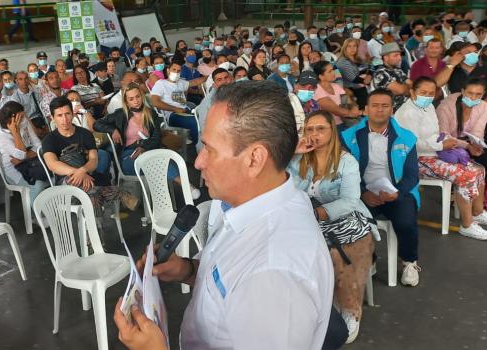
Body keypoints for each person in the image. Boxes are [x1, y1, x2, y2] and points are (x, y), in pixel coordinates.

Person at [113, 81, 334, 350]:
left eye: (209, 149)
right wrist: (189, 269)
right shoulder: (244, 205)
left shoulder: (273, 276)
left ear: (254, 159)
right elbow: (230, 282)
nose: (198, 162)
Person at [289, 110, 376, 344]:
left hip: (341, 217)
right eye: (310, 129)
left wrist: (317, 213)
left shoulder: (346, 161)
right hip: (302, 220)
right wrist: (293, 152)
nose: (314, 134)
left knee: (340, 253)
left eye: (321, 129)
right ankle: (305, 308)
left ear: (332, 131)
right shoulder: (297, 159)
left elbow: (349, 200)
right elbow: (278, 185)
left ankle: (350, 310)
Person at [340, 89, 422, 287]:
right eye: (375, 105)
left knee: (406, 223)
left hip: (397, 191)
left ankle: (409, 261)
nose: (380, 110)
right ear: (366, 109)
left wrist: (398, 193)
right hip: (362, 192)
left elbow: (412, 173)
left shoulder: (406, 137)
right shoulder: (349, 136)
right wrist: (363, 193)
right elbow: (343, 172)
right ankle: (371, 258)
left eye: (385, 106)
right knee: (357, 223)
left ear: (392, 110)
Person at [396, 77, 487, 238]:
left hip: (432, 154)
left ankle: (477, 212)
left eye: (431, 93)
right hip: (414, 160)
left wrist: (452, 143)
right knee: (466, 174)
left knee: (478, 169)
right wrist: (441, 146)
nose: (428, 96)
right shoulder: (408, 112)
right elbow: (412, 144)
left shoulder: (429, 106)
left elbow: (437, 134)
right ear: (412, 92)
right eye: (423, 92)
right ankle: (467, 224)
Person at [41, 96, 138, 211]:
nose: (65, 119)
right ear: (52, 118)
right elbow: (52, 164)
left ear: (72, 114)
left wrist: (82, 171)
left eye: (67, 114)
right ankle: (118, 194)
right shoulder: (49, 139)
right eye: (59, 115)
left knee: (92, 196)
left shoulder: (85, 134)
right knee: (88, 191)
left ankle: (95, 227)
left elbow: (94, 159)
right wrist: (77, 173)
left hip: (89, 176)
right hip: (65, 185)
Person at [0, 101, 47, 204]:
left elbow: (39, 146)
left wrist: (25, 157)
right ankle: (35, 216)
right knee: (38, 185)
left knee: (51, 177)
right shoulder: (2, 136)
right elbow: (21, 155)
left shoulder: (24, 124)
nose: (25, 119)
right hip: (13, 170)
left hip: (30, 163)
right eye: (21, 117)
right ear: (12, 119)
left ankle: (50, 207)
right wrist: (16, 132)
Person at [437, 78, 487, 172]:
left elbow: (477, 132)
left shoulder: (484, 106)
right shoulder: (446, 106)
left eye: (478, 94)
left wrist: (476, 145)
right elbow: (443, 135)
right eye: (470, 93)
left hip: (467, 144)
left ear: (483, 94)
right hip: (446, 145)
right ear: (463, 91)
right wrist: (467, 146)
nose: (473, 97)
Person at [150, 62, 207, 144]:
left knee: (205, 117)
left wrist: (210, 76)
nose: (176, 72)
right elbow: (154, 101)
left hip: (186, 110)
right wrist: (175, 109)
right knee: (195, 122)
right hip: (173, 114)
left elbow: (194, 82)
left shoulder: (180, 82)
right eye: (174, 69)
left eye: (178, 71)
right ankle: (198, 148)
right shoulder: (161, 83)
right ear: (168, 70)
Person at [373, 42, 411, 111]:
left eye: (400, 55)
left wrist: (404, 88)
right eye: (396, 55)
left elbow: (411, 84)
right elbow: (401, 90)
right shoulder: (380, 73)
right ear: (386, 58)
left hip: (407, 107)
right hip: (394, 112)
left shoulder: (397, 69)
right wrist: (407, 88)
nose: (400, 58)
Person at [336, 39, 372, 109]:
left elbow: (369, 68)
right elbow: (355, 79)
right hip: (351, 88)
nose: (352, 48)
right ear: (344, 48)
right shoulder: (343, 62)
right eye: (349, 46)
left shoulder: (357, 58)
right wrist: (368, 77)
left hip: (362, 84)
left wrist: (369, 75)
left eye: (354, 46)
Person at [290, 71, 321, 135]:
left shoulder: (315, 104)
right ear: (296, 87)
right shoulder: (289, 104)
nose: (307, 90)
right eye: (303, 86)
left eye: (312, 87)